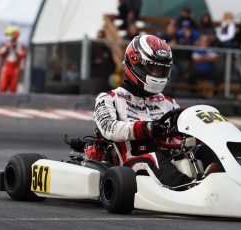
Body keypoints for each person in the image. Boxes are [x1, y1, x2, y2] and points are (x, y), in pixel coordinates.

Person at [94, 35, 221, 189]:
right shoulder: (110, 98)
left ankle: (225, 181)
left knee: (205, 148)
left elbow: (185, 130)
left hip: (169, 158)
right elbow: (109, 128)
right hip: (133, 160)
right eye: (152, 68)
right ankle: (185, 188)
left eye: (161, 70)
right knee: (152, 156)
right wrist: (144, 128)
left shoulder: (168, 103)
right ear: (135, 63)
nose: (157, 74)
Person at [0, 26, 26, 93]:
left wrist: (15, 48)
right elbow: (0, 53)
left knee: (13, 87)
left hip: (15, 67)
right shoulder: (5, 43)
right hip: (7, 66)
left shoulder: (20, 45)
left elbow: (22, 55)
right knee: (3, 86)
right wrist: (7, 47)